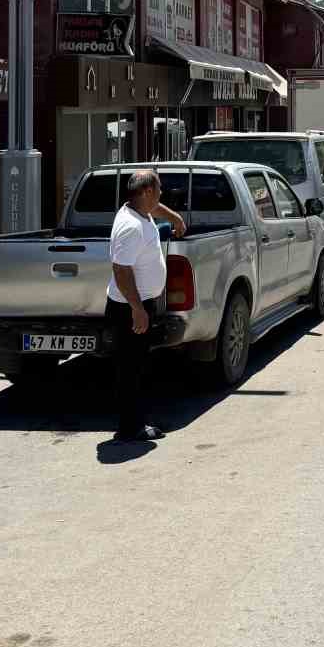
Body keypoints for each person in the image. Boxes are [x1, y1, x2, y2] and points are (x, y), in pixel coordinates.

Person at [107, 168, 185, 442]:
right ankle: (130, 427)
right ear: (148, 191)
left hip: (139, 304)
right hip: (129, 308)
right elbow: (121, 270)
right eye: (159, 189)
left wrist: (173, 216)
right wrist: (137, 309)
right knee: (131, 370)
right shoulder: (131, 226)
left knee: (138, 365)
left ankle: (137, 420)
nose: (162, 193)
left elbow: (155, 207)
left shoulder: (140, 210)